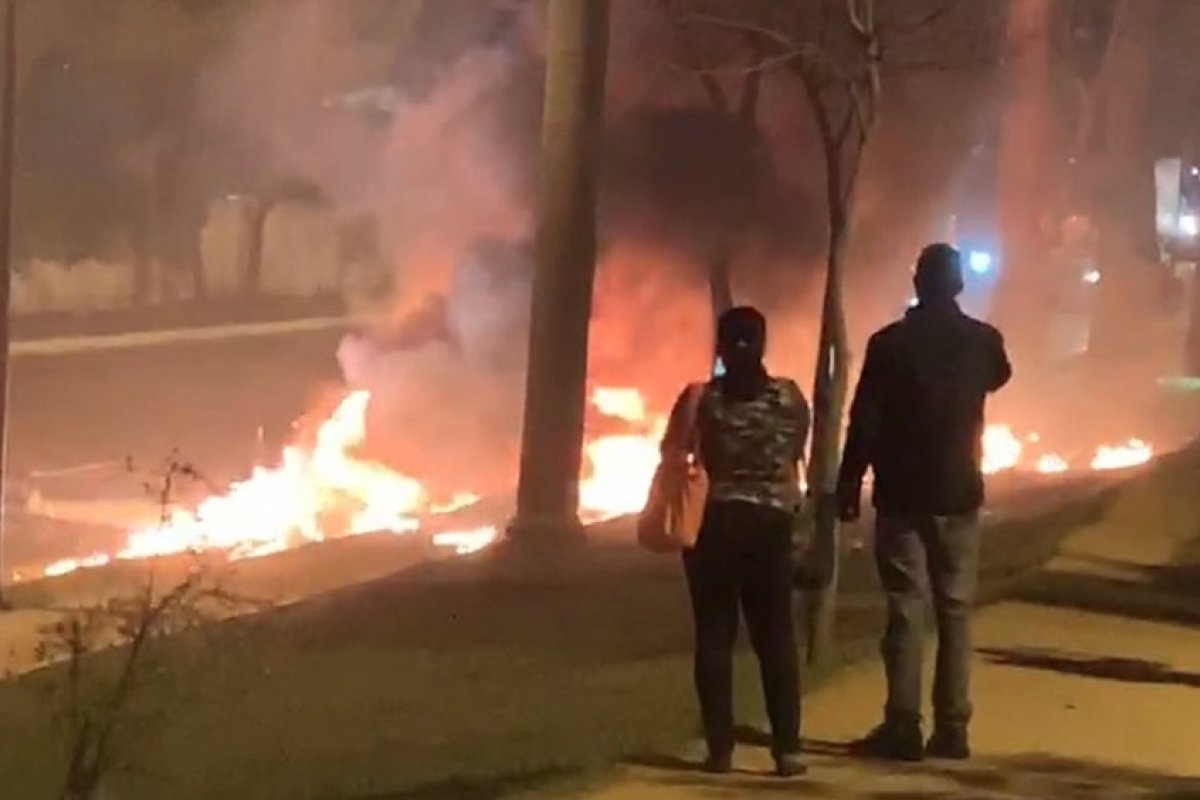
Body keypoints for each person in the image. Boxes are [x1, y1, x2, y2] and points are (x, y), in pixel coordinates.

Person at [836, 243, 1012, 762]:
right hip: (958, 490)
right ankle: (953, 727)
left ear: (917, 283)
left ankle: (903, 725)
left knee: (906, 608)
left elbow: (864, 420)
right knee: (955, 610)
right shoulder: (982, 341)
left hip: (902, 492)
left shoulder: (889, 345)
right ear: (958, 286)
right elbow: (1000, 376)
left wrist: (849, 483)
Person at [661, 306, 810, 777]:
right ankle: (787, 751)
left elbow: (672, 450)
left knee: (714, 636)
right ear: (763, 344)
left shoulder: (699, 398)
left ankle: (720, 750)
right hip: (770, 524)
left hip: (714, 526)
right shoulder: (789, 398)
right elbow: (796, 448)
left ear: (721, 347)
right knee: (776, 637)